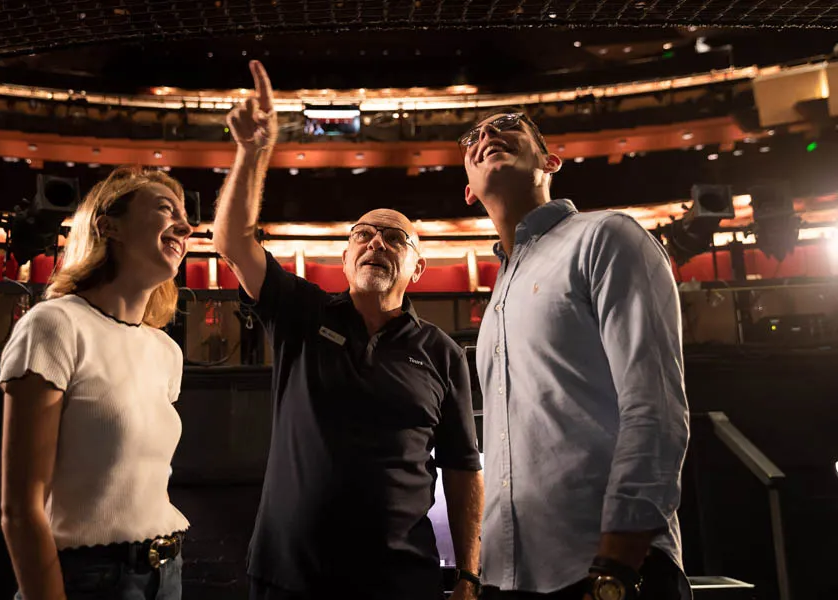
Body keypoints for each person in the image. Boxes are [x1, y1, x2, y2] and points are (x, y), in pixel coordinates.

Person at [213, 60, 485, 600]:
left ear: (418, 269)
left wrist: (469, 575)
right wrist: (252, 153)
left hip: (400, 581)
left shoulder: (442, 352)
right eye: (363, 234)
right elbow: (233, 243)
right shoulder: (302, 313)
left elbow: (460, 468)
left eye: (394, 238)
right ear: (344, 256)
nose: (376, 244)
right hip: (289, 576)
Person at [459, 111, 692, 600]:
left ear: (550, 161)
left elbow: (656, 408)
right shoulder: (498, 293)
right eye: (473, 137)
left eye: (507, 126)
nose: (488, 136)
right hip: (508, 578)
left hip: (609, 567)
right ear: (469, 191)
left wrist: (618, 561)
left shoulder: (607, 236)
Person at [0, 166, 194, 600]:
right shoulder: (54, 325)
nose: (185, 226)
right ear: (110, 226)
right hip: (91, 580)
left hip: (168, 574)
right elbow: (19, 510)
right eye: (166, 209)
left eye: (185, 215)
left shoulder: (166, 351)